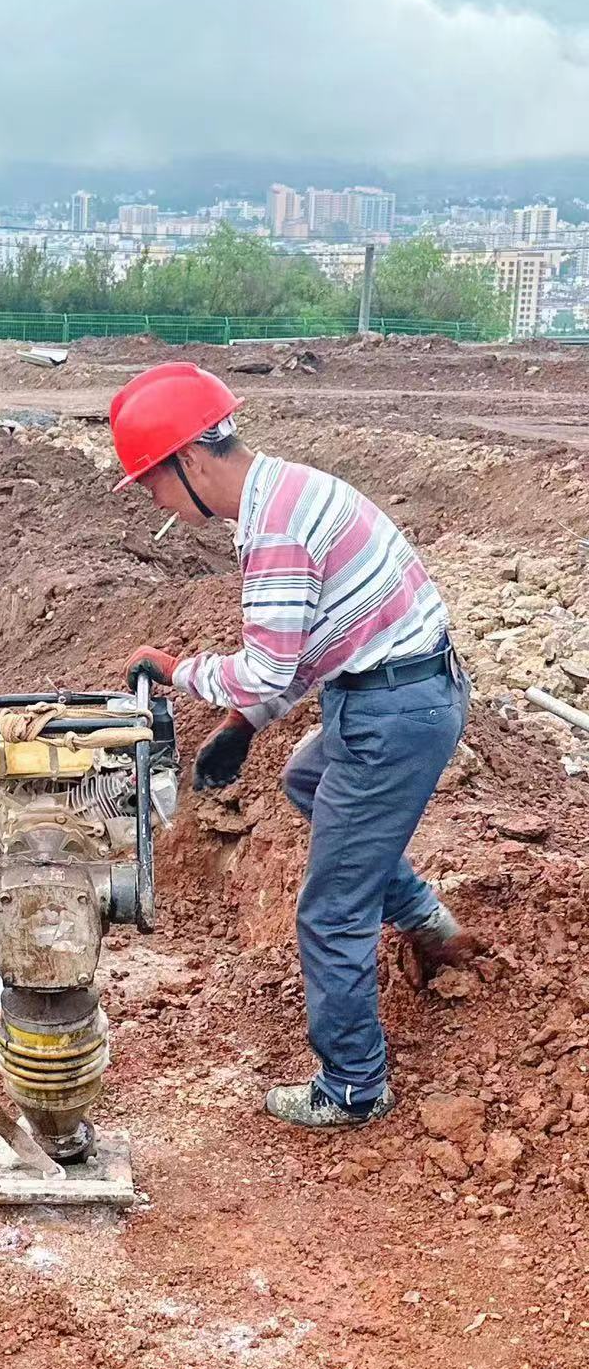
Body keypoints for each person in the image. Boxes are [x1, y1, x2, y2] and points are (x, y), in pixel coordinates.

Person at [112, 362, 478, 1130]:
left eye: (153, 483)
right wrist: (242, 727)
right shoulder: (286, 491)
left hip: (392, 713)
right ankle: (422, 918)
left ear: (190, 457)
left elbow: (270, 663)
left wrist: (179, 671)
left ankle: (353, 1086)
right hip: (397, 691)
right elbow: (313, 648)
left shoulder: (274, 528)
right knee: (308, 781)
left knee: (329, 910)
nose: (159, 503)